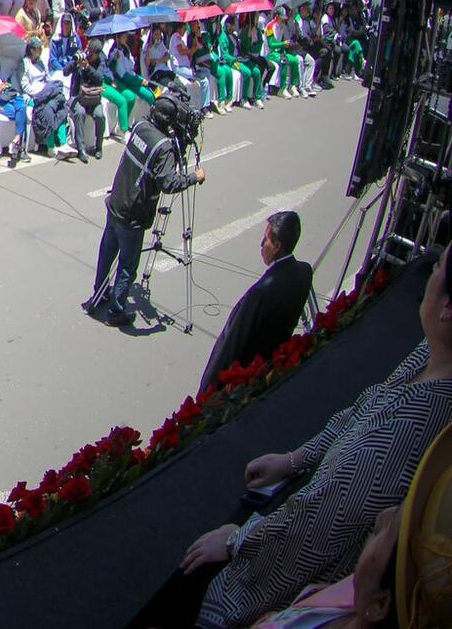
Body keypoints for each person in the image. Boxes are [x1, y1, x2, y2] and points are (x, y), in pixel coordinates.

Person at [184, 242, 452, 628]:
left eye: (439, 265)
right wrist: (296, 459)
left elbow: (322, 519)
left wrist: (237, 540)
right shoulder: (430, 353)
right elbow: (362, 408)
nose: (430, 273)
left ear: (448, 308)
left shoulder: (413, 423)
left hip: (295, 583)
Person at [84, 95, 203, 328]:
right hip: (133, 214)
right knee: (127, 266)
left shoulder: (139, 126)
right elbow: (168, 183)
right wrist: (193, 177)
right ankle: (116, 311)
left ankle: (100, 292)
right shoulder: (164, 147)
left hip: (116, 201)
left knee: (107, 252)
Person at [199, 212, 316, 396]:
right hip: (274, 365)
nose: (261, 245)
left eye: (265, 240)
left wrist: (206, 391)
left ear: (277, 246)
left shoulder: (260, 294)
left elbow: (231, 344)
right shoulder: (304, 272)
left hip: (249, 378)